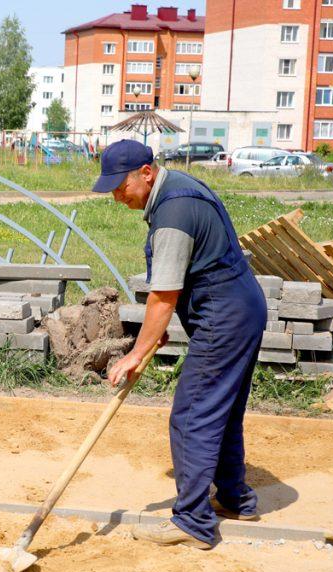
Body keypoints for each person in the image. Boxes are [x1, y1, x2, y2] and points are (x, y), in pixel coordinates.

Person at [94, 139, 267, 549]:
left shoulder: (172, 213)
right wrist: (160, 330)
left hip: (225, 316)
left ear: (147, 173)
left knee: (193, 414)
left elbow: (163, 295)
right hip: (241, 308)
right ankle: (235, 498)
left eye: (122, 186)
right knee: (220, 412)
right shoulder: (180, 189)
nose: (119, 197)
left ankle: (192, 520)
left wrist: (137, 352)